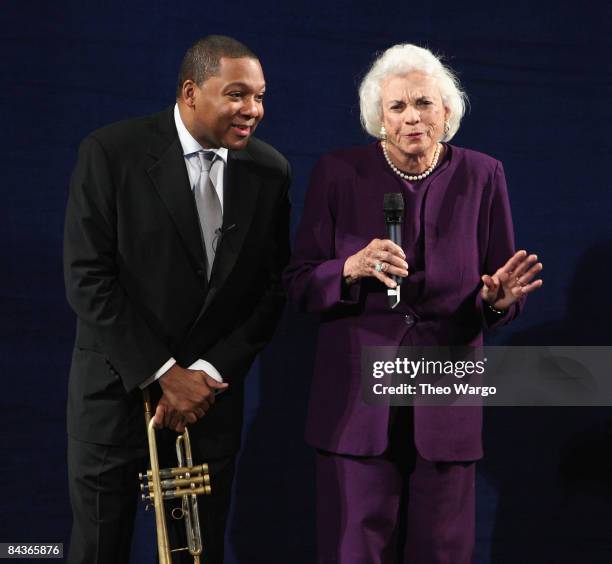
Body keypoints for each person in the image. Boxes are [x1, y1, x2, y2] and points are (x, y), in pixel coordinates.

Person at [283, 43, 543, 563]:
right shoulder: (338, 173)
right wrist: (349, 269)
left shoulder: (483, 174)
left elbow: (499, 291)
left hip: (446, 396)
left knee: (443, 552)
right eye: (397, 107)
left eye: (424, 103)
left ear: (448, 111)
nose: (412, 117)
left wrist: (496, 302)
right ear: (378, 118)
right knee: (355, 549)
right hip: (357, 405)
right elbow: (298, 285)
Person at [64, 35, 291, 564]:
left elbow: (270, 288)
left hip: (208, 407)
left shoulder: (270, 170)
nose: (252, 110)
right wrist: (165, 373)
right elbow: (87, 279)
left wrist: (206, 373)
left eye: (259, 96)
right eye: (237, 95)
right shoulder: (110, 152)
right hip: (115, 401)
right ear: (191, 92)